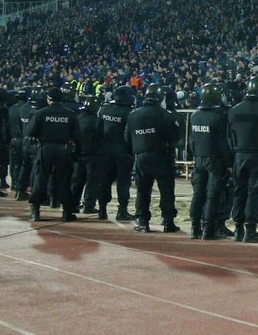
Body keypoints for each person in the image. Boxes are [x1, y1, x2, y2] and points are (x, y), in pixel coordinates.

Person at [124, 84, 181, 233]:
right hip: (162, 156)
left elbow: (127, 138)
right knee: (167, 190)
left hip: (141, 157)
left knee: (142, 191)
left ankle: (142, 222)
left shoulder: (133, 114)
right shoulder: (166, 115)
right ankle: (168, 222)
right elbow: (175, 138)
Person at [24, 87, 82, 223]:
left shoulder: (40, 113)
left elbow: (30, 133)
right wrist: (76, 154)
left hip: (45, 149)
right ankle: (66, 212)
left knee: (40, 179)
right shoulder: (70, 114)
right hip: (63, 149)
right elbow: (78, 137)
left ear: (48, 99)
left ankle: (35, 212)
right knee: (64, 180)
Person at [228, 76, 258, 243]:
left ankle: (238, 229)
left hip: (239, 155)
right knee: (255, 192)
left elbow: (229, 135)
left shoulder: (234, 110)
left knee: (239, 191)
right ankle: (250, 229)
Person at [187, 83, 231, 240]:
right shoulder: (220, 116)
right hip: (215, 160)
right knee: (212, 195)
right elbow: (223, 143)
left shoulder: (195, 115)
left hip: (199, 159)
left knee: (198, 194)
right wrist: (228, 163)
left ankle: (194, 228)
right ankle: (208, 229)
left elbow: (192, 142)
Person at [97, 85, 136, 221]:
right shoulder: (130, 113)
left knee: (105, 180)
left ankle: (102, 210)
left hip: (105, 150)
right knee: (123, 182)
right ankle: (122, 210)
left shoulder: (104, 109)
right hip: (123, 151)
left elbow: (99, 130)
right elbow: (129, 134)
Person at [74, 96, 103, 214]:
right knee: (92, 181)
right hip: (93, 155)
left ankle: (73, 203)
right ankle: (89, 205)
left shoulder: (77, 119)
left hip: (77, 154)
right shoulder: (97, 121)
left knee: (76, 180)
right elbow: (102, 138)